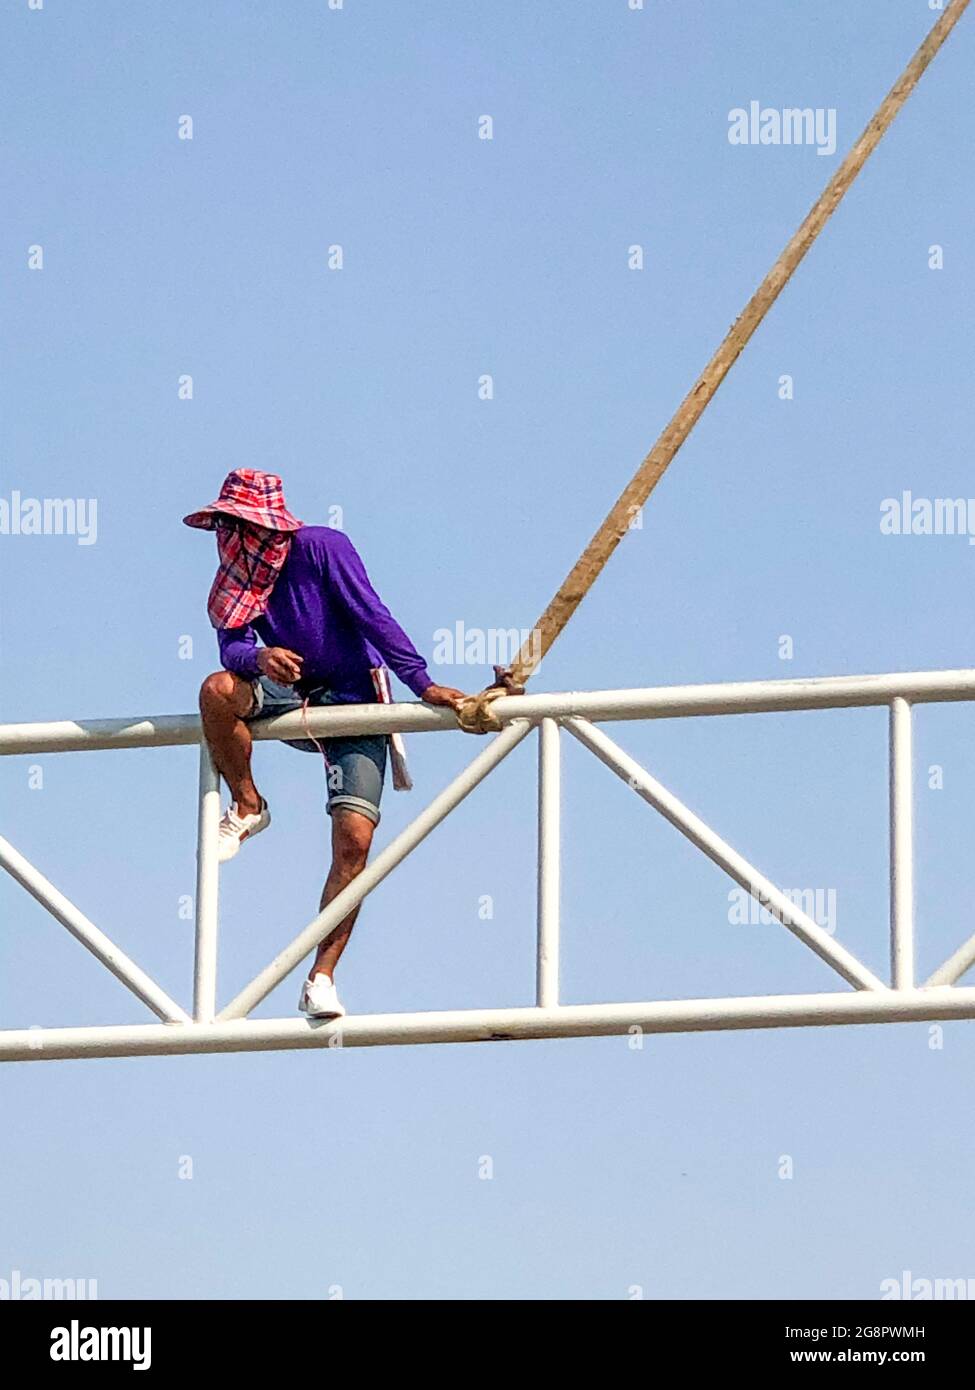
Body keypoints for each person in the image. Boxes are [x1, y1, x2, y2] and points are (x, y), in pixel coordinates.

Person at [183, 469, 467, 1020]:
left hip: (356, 699)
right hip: (292, 696)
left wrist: (423, 683)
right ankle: (248, 805)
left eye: (238, 523)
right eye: (224, 525)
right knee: (216, 693)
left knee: (354, 841)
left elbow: (371, 614)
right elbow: (232, 647)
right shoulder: (236, 580)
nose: (231, 536)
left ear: (266, 526)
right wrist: (260, 659)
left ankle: (321, 976)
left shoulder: (321, 549)